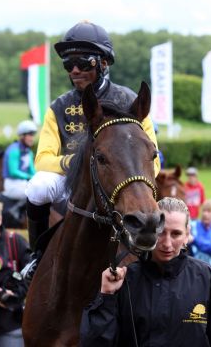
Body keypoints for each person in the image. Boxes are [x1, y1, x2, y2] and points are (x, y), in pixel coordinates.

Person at [23, 20, 161, 280]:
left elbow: (153, 159)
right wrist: (79, 163)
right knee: (38, 186)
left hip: (123, 177)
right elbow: (42, 161)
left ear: (103, 63)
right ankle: (37, 256)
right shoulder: (58, 107)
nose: (74, 70)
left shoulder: (130, 101)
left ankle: (161, 260)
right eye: (68, 64)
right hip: (72, 178)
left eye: (83, 63)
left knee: (163, 207)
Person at [80, 197, 211, 347]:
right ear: (149, 232)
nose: (167, 244)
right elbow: (96, 341)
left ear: (187, 235)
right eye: (160, 233)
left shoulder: (209, 279)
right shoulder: (124, 281)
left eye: (176, 234)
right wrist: (106, 296)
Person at [0, 196, 30, 347]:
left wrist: (14, 295)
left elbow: (31, 275)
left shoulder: (16, 242)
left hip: (11, 323)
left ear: (0, 218)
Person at [2, 120, 37, 221]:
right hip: (11, 185)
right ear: (22, 136)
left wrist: (37, 177)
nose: (32, 138)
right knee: (32, 193)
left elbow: (32, 171)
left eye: (33, 135)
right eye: (30, 135)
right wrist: (29, 177)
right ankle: (15, 210)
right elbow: (13, 172)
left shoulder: (28, 151)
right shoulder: (14, 150)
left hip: (22, 184)